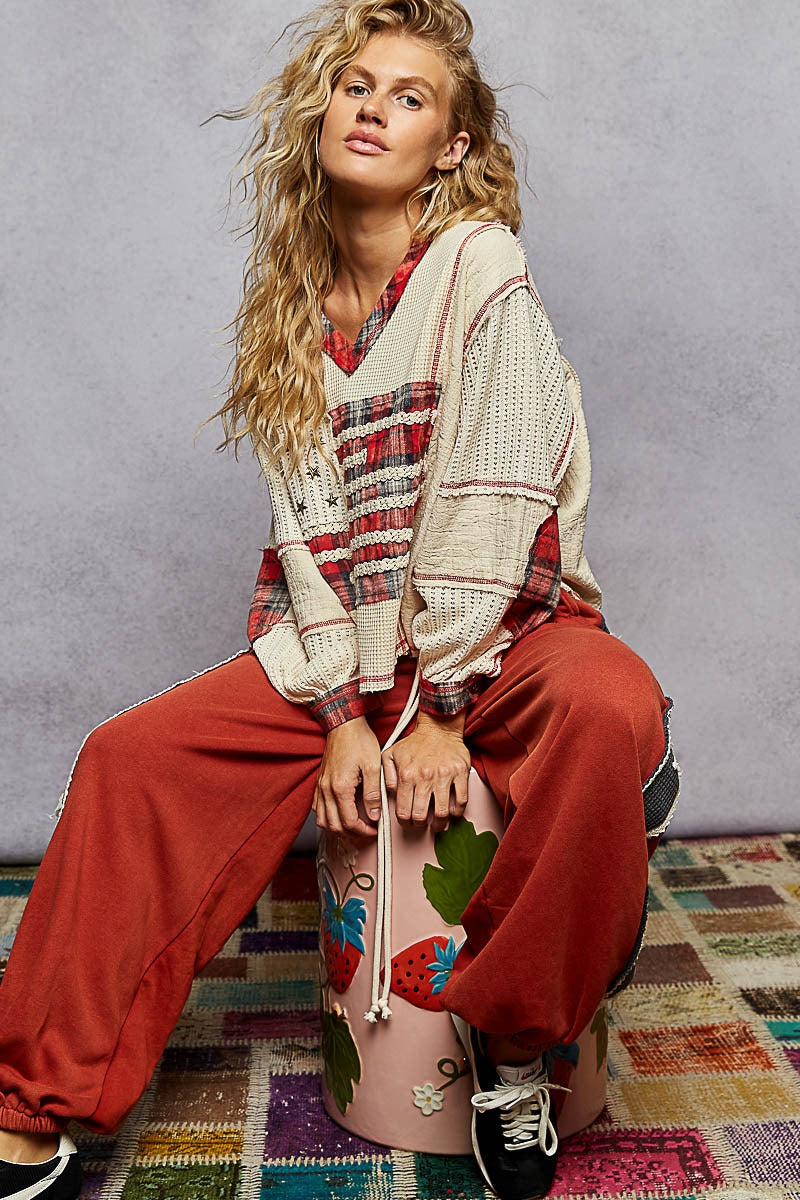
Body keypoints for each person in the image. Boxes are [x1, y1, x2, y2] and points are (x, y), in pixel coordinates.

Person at [0, 2, 681, 1198]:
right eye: (356, 85)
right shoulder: (289, 312)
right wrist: (343, 716)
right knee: (130, 757)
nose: (372, 108)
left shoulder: (479, 267)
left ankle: (519, 1041)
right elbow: (303, 546)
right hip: (351, 659)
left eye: (409, 96)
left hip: (504, 634)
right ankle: (32, 1096)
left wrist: (442, 705)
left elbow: (492, 494)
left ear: (453, 146)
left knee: (608, 704)